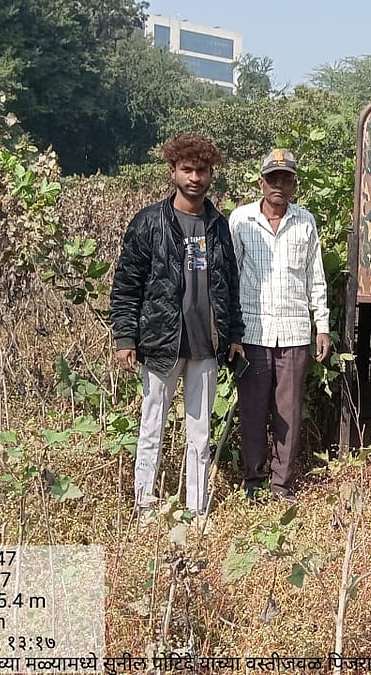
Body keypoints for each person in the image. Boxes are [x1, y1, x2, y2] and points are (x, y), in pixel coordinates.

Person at [109, 133, 245, 518]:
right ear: (173, 171)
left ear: (211, 173)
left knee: (199, 435)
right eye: (187, 169)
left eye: (202, 170)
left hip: (206, 346)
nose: (195, 178)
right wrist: (125, 336)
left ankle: (198, 511)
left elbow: (229, 285)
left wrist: (234, 334)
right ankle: (145, 506)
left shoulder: (219, 226)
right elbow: (126, 284)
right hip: (160, 343)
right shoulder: (149, 222)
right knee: (152, 427)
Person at [229, 149, 331, 503]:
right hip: (252, 333)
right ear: (261, 182)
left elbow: (315, 277)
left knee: (287, 413)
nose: (279, 185)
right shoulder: (240, 221)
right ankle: (254, 481)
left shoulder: (305, 222)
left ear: (294, 184)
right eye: (272, 178)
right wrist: (231, 332)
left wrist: (322, 326)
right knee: (253, 410)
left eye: (285, 178)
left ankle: (280, 484)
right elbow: (229, 278)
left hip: (294, 332)